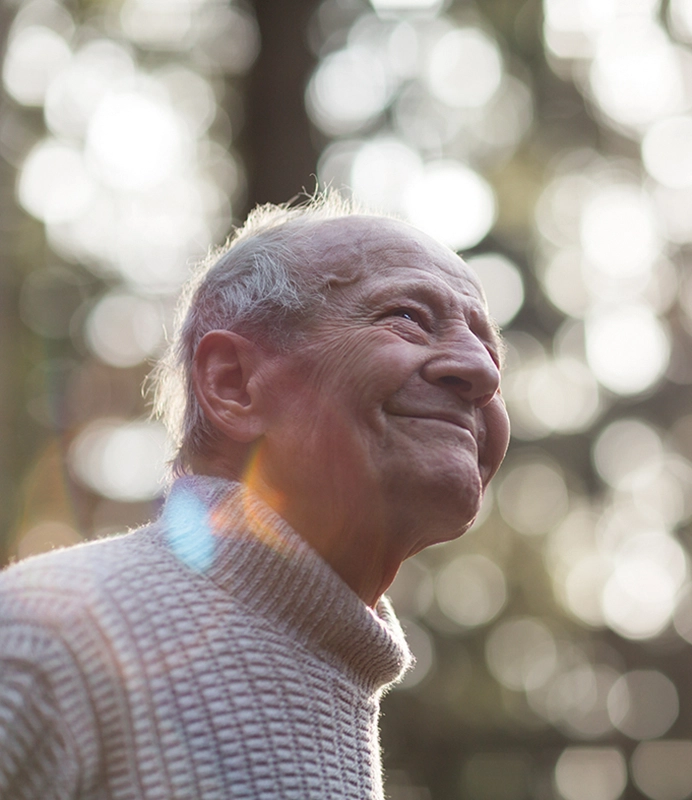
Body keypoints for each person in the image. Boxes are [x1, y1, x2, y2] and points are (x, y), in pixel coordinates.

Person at [0, 193, 510, 798]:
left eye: (488, 345)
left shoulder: (339, 677)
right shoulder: (45, 639)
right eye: (408, 317)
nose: (481, 370)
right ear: (233, 383)